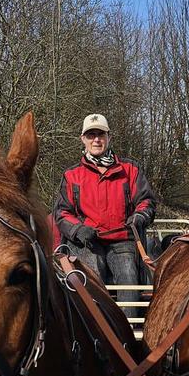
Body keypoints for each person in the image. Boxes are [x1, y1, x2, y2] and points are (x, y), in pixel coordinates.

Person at [53, 113, 156, 293]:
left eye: (101, 135)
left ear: (109, 137)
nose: (96, 140)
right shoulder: (71, 175)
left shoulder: (130, 169)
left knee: (129, 281)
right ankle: (93, 321)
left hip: (122, 240)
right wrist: (78, 230)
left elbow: (146, 201)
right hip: (88, 243)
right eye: (91, 135)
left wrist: (139, 216)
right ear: (83, 139)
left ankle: (130, 321)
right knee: (91, 284)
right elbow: (62, 213)